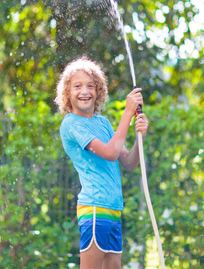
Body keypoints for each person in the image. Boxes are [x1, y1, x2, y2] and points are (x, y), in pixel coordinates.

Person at [54, 57, 149, 269]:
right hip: (95, 208)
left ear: (98, 91)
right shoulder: (71, 124)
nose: (84, 91)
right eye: (77, 86)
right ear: (68, 93)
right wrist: (127, 113)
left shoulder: (103, 123)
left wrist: (139, 136)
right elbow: (110, 152)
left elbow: (128, 162)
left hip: (114, 209)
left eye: (90, 86)